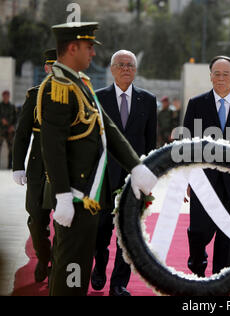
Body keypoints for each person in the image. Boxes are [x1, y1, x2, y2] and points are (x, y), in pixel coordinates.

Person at [38, 22, 157, 296]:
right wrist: (62, 195)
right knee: (70, 271)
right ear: (72, 48)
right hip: (76, 195)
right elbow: (52, 148)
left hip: (90, 196)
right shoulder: (58, 88)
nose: (93, 53)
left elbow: (109, 131)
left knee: (78, 269)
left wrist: (137, 167)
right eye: (89, 47)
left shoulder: (81, 85)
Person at [183, 55, 230, 276]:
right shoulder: (196, 104)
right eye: (217, 73)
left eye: (226, 74)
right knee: (198, 232)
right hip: (203, 181)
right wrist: (187, 177)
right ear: (210, 76)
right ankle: (197, 266)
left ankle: (220, 280)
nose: (221, 78)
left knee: (228, 237)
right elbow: (187, 144)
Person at [91, 49, 157, 296]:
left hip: (134, 178)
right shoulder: (97, 99)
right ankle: (99, 266)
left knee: (128, 231)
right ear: (112, 69)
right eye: (121, 64)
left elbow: (150, 141)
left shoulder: (148, 101)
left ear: (136, 70)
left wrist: (150, 174)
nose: (126, 68)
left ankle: (119, 283)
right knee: (100, 230)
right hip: (104, 177)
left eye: (130, 65)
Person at [11, 49, 56, 283]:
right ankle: (43, 256)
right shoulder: (35, 95)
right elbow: (22, 134)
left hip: (66, 169)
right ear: (46, 68)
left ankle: (58, 262)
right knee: (37, 218)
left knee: (67, 220)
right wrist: (17, 165)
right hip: (39, 169)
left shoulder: (77, 94)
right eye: (51, 66)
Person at [0, 90, 17, 169]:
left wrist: (13, 126)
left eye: (7, 96)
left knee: (11, 149)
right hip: (1, 131)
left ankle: (10, 166)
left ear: (9, 97)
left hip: (9, 131)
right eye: (4, 96)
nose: (6, 97)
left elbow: (16, 118)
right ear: (3, 96)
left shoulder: (12, 107)